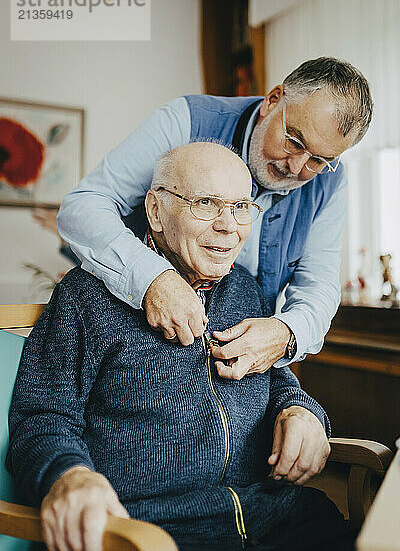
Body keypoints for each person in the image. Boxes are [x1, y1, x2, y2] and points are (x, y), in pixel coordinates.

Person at [7, 143, 354, 551]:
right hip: (149, 534)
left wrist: (300, 411)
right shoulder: (86, 295)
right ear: (156, 210)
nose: (229, 227)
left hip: (269, 518)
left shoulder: (243, 288)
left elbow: (274, 376)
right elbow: (42, 416)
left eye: (241, 206)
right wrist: (70, 476)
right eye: (206, 204)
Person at [57, 57, 373, 379]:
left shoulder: (331, 183)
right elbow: (84, 207)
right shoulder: (185, 120)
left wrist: (286, 333)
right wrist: (152, 278)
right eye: (293, 141)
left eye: (318, 160)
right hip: (143, 345)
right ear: (273, 100)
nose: (295, 167)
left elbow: (318, 284)